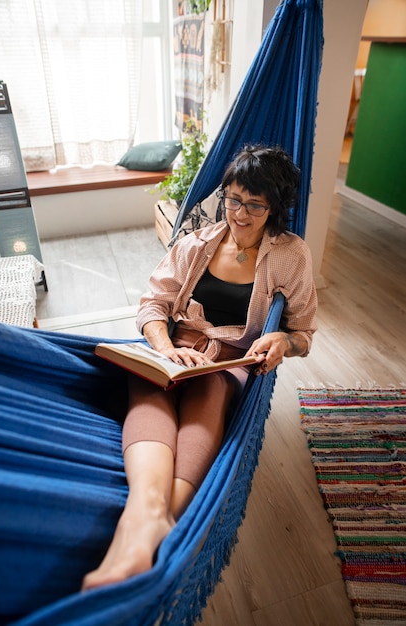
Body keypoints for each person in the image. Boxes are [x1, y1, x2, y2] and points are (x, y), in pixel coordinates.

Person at [82, 144, 317, 590]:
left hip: (232, 359)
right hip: (178, 347)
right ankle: (147, 515)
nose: (239, 213)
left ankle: (148, 526)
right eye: (232, 199)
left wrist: (283, 339)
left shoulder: (292, 255)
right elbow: (153, 303)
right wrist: (164, 345)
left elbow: (304, 332)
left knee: (208, 395)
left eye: (254, 204)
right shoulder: (196, 243)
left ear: (275, 206)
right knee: (150, 385)